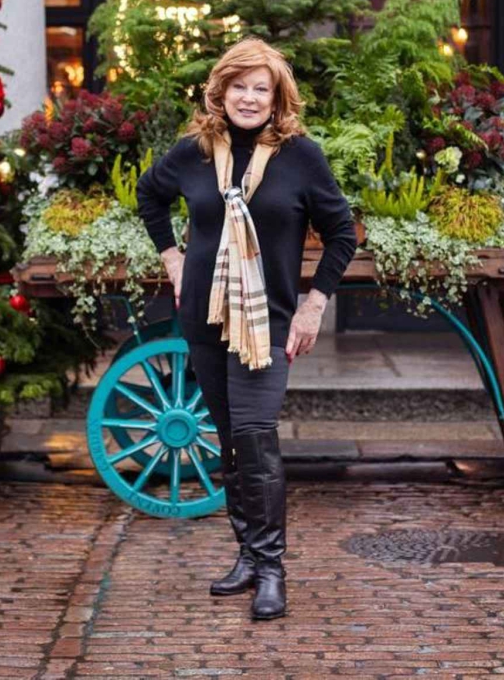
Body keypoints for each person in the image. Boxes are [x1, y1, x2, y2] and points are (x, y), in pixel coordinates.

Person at [135, 37, 357, 621]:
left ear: (278, 98)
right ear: (220, 91)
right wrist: (173, 259)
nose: (250, 98)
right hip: (204, 319)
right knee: (231, 440)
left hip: (269, 323)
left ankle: (272, 569)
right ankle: (247, 555)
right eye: (240, 86)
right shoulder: (193, 152)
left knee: (257, 439)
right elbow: (149, 197)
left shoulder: (300, 156)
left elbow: (342, 234)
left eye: (262, 88)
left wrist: (314, 307)